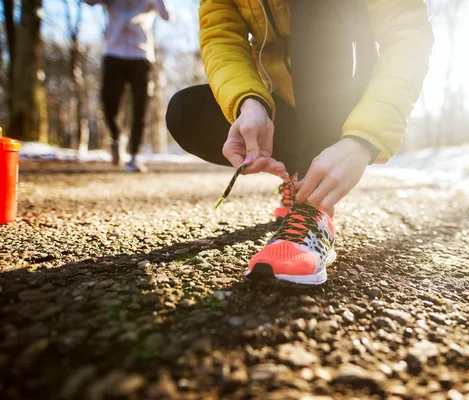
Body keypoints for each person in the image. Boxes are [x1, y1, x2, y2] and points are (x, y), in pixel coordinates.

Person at [167, 0, 433, 284]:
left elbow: (407, 32)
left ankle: (313, 211)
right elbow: (221, 37)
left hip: (347, 97)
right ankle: (298, 181)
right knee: (185, 112)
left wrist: (363, 138)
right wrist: (250, 102)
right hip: (281, 101)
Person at [83, 0, 172, 172]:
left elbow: (167, 16)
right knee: (109, 102)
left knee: (141, 107)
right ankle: (116, 137)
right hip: (113, 54)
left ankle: (135, 155)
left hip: (142, 56)